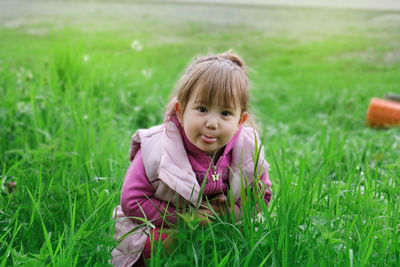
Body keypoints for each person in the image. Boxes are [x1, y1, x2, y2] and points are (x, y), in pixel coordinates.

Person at [111, 51, 272, 266]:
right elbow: (132, 201)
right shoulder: (157, 148)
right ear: (181, 110)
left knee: (248, 240)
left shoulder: (247, 149)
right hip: (165, 225)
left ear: (240, 120)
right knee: (160, 244)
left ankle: (213, 252)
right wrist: (187, 219)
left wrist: (225, 214)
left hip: (221, 224)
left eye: (225, 113)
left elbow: (261, 195)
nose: (212, 123)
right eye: (202, 109)